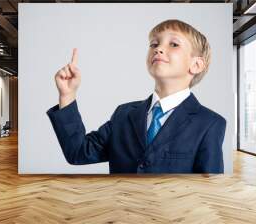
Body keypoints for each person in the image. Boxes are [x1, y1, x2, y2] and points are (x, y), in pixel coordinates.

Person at [47, 19, 226, 173]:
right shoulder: (124, 114)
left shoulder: (210, 123)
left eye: (173, 44)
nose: (159, 49)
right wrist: (67, 95)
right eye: (154, 44)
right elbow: (78, 152)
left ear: (196, 65)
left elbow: (209, 187)